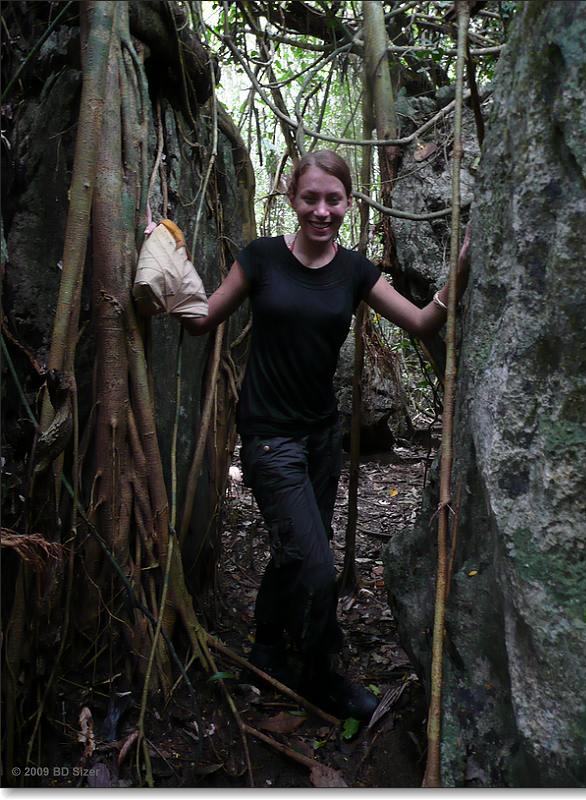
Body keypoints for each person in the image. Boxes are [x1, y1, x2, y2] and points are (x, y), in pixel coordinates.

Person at [176, 149, 471, 719]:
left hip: (321, 438)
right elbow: (201, 319)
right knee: (316, 565)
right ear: (292, 199)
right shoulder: (261, 258)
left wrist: (460, 268)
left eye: (333, 199)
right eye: (310, 198)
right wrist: (161, 253)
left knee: (296, 549)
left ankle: (266, 646)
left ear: (348, 202)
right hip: (269, 438)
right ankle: (321, 673)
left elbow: (420, 321)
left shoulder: (355, 270)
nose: (321, 210)